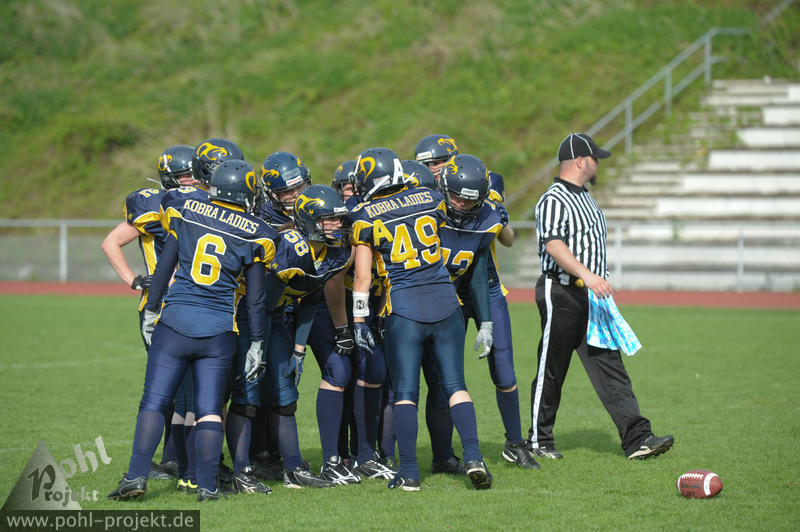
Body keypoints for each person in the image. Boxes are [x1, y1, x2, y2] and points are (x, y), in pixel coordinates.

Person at [108, 158, 276, 502]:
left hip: (176, 322)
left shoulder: (186, 211)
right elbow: (256, 299)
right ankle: (207, 486)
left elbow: (165, 265)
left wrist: (152, 309)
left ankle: (135, 477)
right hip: (219, 330)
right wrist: (257, 342)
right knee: (210, 409)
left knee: (154, 401)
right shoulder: (256, 231)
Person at [349, 147, 492, 491]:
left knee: (405, 394)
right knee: (456, 386)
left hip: (405, 309)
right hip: (446, 303)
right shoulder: (431, 199)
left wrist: (359, 321)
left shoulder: (365, 217)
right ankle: (474, 456)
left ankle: (410, 472)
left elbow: (362, 278)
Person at [529, 133, 674, 460]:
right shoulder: (554, 199)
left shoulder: (586, 198)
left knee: (611, 367)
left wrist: (596, 279)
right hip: (562, 292)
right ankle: (539, 440)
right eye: (595, 159)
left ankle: (638, 438)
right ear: (580, 161)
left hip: (593, 299)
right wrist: (588, 275)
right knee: (552, 367)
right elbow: (553, 244)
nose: (598, 165)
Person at [436, 154, 540, 471]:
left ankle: (514, 443)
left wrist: (502, 222)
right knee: (445, 376)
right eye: (430, 164)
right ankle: (443, 453)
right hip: (446, 290)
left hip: (486, 285)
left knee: (504, 370)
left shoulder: (484, 188)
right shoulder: (428, 203)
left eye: (439, 161)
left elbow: (507, 240)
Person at [100, 144, 196, 481]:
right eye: (184, 175)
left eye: (194, 173)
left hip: (193, 304)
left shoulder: (204, 205)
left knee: (190, 388)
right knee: (170, 387)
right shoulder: (153, 205)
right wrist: (134, 280)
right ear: (169, 177)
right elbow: (111, 242)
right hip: (160, 307)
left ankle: (179, 458)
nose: (191, 180)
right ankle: (173, 460)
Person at [252, 184, 352, 489]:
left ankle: (292, 468)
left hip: (276, 316)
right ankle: (238, 468)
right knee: (245, 392)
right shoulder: (291, 247)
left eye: (338, 218)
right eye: (329, 219)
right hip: (252, 317)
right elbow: (262, 305)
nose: (337, 225)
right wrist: (257, 345)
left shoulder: (333, 250)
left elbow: (310, 299)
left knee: (284, 394)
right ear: (310, 220)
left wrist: (298, 349)